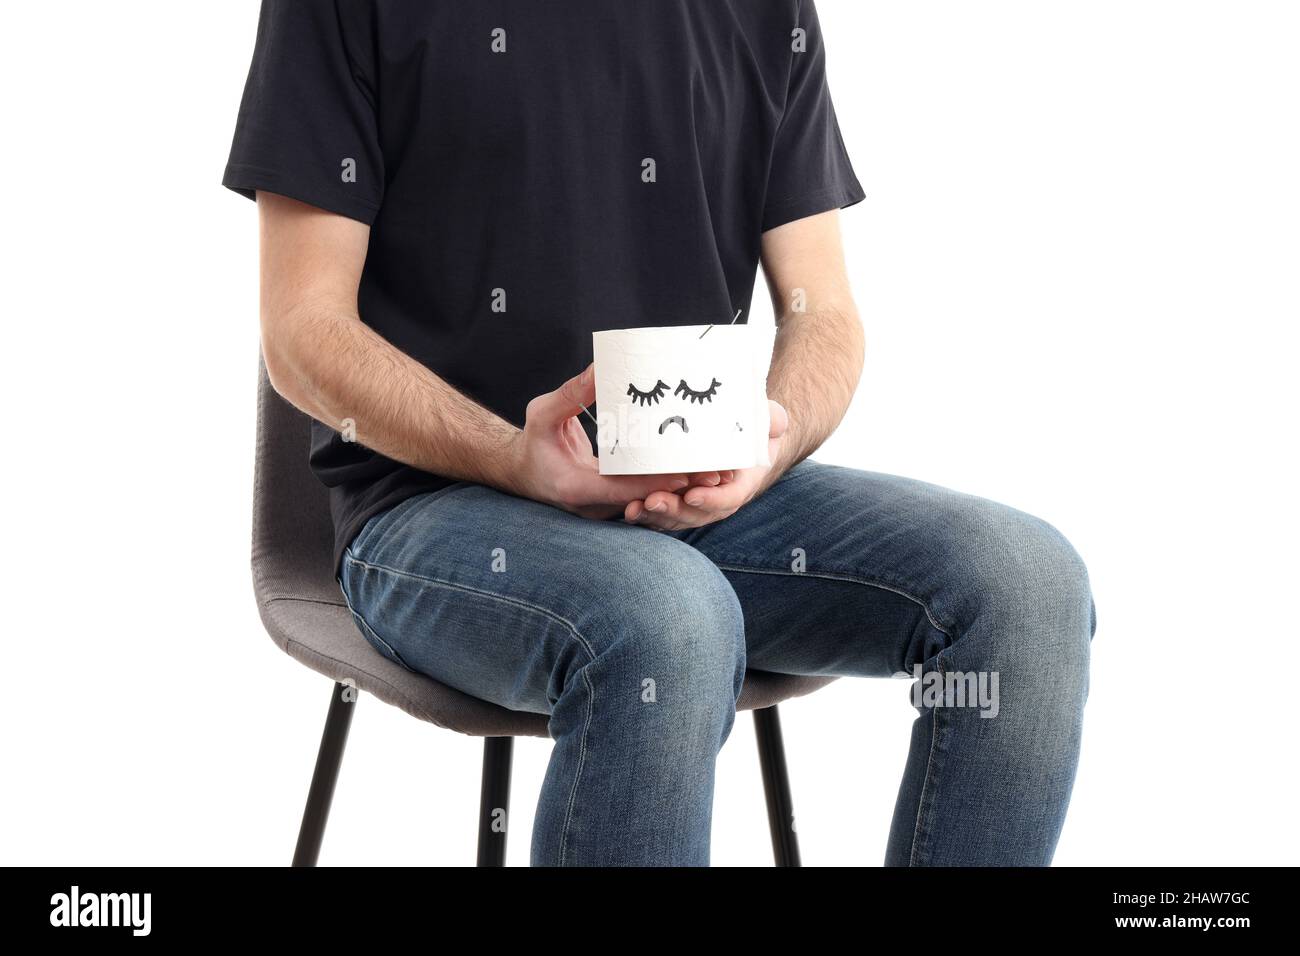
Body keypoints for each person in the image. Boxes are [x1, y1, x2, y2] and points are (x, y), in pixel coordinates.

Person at [223, 0, 1095, 866]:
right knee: (670, 619)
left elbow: (822, 312)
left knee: (1025, 587)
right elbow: (302, 334)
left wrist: (769, 441)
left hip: (698, 501)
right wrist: (511, 458)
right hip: (435, 509)